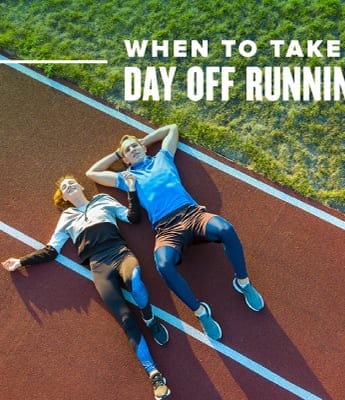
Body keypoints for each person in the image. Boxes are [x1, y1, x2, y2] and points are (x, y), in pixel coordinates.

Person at [86, 123, 264, 340]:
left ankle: (242, 283)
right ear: (125, 160)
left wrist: (145, 141)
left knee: (226, 229)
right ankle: (201, 312)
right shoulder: (127, 178)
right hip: (166, 229)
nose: (133, 150)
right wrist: (116, 152)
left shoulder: (163, 157)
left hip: (193, 215)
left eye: (135, 146)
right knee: (163, 265)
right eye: (128, 151)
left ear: (142, 146)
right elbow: (92, 173)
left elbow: (171, 128)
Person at [2, 174, 171, 400]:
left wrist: (131, 188)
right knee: (125, 319)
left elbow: (132, 218)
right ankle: (154, 374)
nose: (68, 185)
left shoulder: (103, 199)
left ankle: (150, 319)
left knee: (136, 277)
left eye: (71, 182)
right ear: (63, 196)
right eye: (64, 187)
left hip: (119, 253)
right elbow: (52, 250)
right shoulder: (66, 217)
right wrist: (21, 261)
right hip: (98, 267)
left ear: (80, 186)